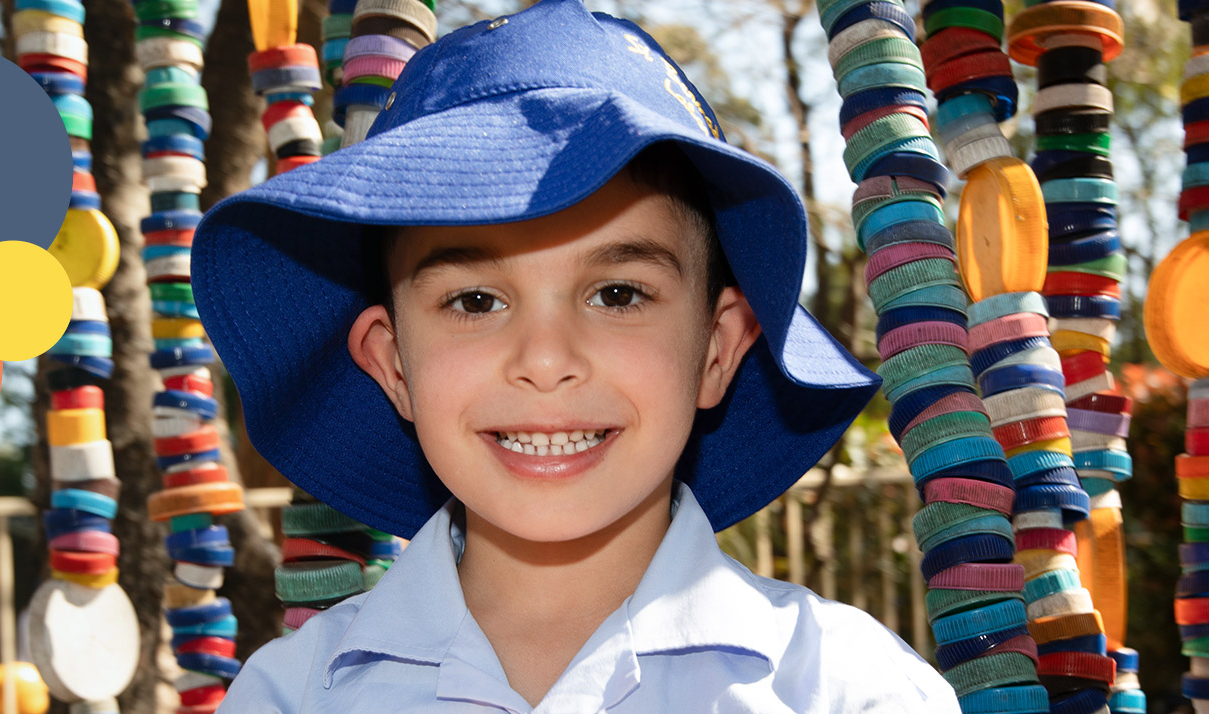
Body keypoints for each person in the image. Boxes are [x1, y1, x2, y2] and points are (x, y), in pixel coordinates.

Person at [187, 1, 959, 711]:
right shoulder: (291, 695)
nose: (547, 361)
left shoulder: (846, 688)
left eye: (618, 295)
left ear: (718, 349)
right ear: (393, 366)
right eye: (475, 301)